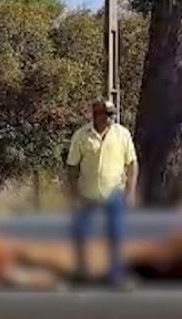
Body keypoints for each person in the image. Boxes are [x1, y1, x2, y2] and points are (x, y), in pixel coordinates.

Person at [66, 99, 139, 287]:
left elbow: (132, 165)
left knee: (116, 233)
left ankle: (116, 276)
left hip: (114, 193)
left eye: (112, 114)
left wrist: (130, 193)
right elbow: (72, 168)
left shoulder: (122, 134)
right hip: (87, 193)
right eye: (108, 114)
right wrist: (73, 195)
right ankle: (82, 273)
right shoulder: (82, 136)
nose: (111, 118)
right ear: (97, 115)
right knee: (80, 233)